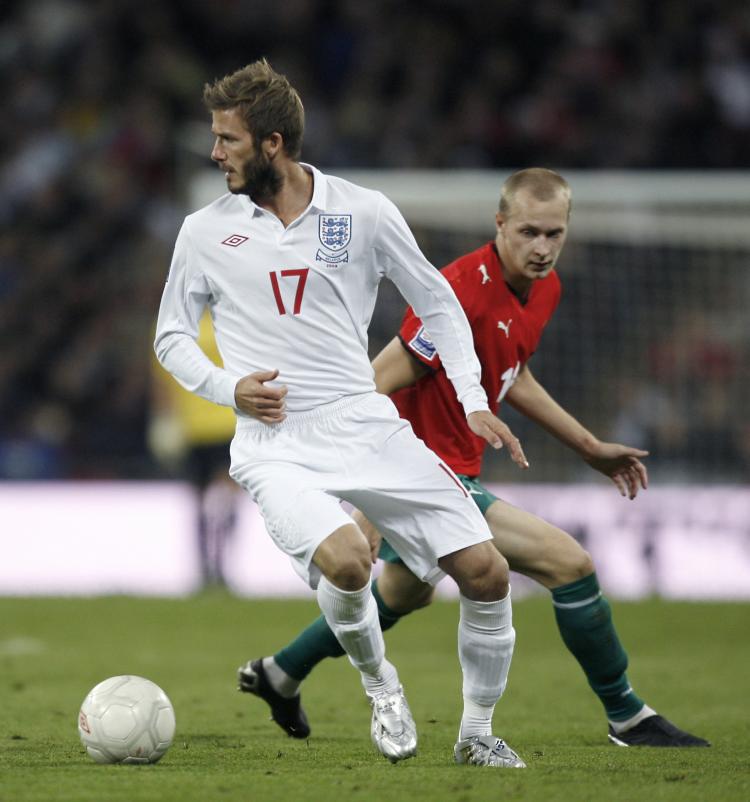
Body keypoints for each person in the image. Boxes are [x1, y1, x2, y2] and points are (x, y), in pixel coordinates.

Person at [241, 168, 710, 749]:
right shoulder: (459, 293)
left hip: (452, 469)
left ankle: (279, 672)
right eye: (529, 233)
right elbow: (374, 381)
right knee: (570, 565)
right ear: (500, 224)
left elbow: (512, 373)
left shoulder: (546, 289)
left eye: (554, 234)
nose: (542, 248)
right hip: (424, 476)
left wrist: (589, 447)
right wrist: (371, 492)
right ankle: (628, 717)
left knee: (406, 590)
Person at [154, 59, 531, 768]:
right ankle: (379, 684)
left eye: (227, 140)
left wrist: (474, 400)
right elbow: (170, 335)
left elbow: (438, 301)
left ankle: (478, 734)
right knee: (350, 563)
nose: (214, 154)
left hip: (363, 422)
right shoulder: (205, 231)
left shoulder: (362, 210)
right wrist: (227, 388)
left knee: (486, 572)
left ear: (271, 143)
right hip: (275, 441)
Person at [149, 311, 240, 588]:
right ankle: (205, 568)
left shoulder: (231, 315)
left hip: (228, 423)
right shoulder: (173, 319)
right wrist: (164, 419)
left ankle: (223, 564)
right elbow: (161, 376)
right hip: (193, 428)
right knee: (199, 503)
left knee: (226, 499)